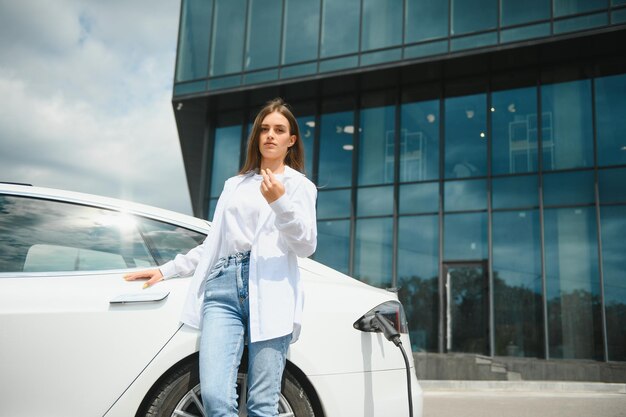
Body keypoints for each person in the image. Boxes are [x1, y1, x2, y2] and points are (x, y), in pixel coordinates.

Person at [124, 98, 317, 417]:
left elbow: (305, 245)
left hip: (271, 290)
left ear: (291, 140)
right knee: (215, 397)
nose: (270, 135)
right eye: (264, 129)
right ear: (257, 137)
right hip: (223, 289)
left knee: (262, 403)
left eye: (279, 130)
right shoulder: (236, 185)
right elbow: (214, 244)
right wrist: (167, 269)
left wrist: (280, 203)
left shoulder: (300, 187)